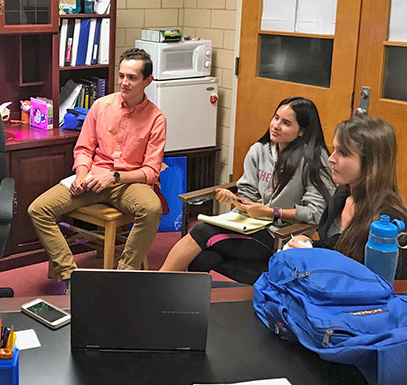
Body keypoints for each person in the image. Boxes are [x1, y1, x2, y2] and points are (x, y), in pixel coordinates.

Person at [28, 48, 167, 293]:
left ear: (147, 81)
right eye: (122, 75)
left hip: (128, 182)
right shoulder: (101, 106)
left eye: (132, 78)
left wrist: (114, 177)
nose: (124, 82)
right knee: (38, 209)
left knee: (152, 208)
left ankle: (125, 275)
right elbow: (83, 148)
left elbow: (150, 172)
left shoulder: (156, 118)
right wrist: (82, 174)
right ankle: (71, 277)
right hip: (93, 177)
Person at [160, 97, 335, 284]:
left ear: (302, 131)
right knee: (202, 258)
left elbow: (317, 213)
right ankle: (189, 308)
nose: (276, 125)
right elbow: (249, 194)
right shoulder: (259, 150)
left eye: (286, 123)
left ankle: (155, 284)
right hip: (249, 226)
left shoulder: (315, 159)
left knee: (202, 231)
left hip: (279, 235)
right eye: (275, 118)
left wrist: (272, 212)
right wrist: (236, 200)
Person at [288, 116, 407, 278]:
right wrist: (310, 244)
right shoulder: (342, 195)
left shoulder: (391, 221)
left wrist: (316, 257)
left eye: (343, 153)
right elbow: (335, 247)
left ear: (371, 163)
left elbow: (381, 282)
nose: (331, 159)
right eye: (334, 149)